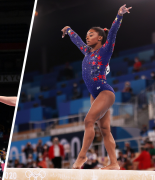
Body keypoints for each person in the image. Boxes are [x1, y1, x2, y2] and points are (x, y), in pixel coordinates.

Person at [61, 4, 132, 170]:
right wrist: (69, 30)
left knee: (88, 120)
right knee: (105, 130)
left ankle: (81, 156)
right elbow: (77, 40)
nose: (87, 37)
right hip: (95, 94)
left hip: (105, 92)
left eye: (91, 35)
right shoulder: (87, 52)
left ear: (100, 38)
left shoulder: (105, 51)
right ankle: (114, 163)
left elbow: (113, 32)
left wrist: (119, 15)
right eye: (87, 35)